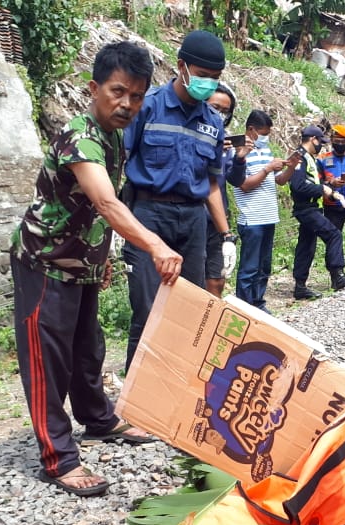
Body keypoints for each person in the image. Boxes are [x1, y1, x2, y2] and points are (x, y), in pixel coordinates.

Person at [11, 42, 180, 497]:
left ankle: (99, 420)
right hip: (44, 261)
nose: (127, 104)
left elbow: (91, 208)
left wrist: (101, 259)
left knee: (88, 349)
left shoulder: (114, 139)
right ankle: (59, 458)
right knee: (49, 359)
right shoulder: (81, 135)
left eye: (137, 96)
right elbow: (106, 202)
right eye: (118, 91)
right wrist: (156, 244)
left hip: (81, 262)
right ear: (95, 88)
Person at [121, 30, 235, 371]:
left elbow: (212, 183)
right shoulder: (148, 108)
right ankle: (136, 400)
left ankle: (177, 392)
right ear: (182, 66)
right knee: (148, 308)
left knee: (191, 310)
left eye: (214, 79)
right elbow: (119, 161)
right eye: (202, 76)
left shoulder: (213, 122)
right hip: (148, 214)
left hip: (193, 220)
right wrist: (114, 222)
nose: (208, 85)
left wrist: (226, 235)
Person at [231, 109, 297, 312]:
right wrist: (267, 168)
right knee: (249, 268)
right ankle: (244, 307)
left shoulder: (265, 152)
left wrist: (291, 167)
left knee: (264, 266)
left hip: (269, 216)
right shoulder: (238, 153)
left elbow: (278, 181)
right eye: (263, 133)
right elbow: (244, 185)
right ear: (251, 129)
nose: (265, 137)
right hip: (252, 218)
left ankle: (258, 304)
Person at [289, 125, 345, 299]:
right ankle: (337, 277)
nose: (322, 145)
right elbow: (297, 186)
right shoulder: (299, 157)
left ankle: (300, 286)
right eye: (320, 142)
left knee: (306, 245)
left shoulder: (309, 158)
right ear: (313, 139)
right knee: (333, 234)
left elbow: (311, 184)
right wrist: (322, 189)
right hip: (306, 208)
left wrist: (331, 190)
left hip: (312, 207)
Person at [202, 82, 248, 298]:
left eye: (224, 111)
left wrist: (239, 159)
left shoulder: (225, 142)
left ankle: (209, 323)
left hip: (218, 220)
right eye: (214, 107)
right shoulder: (193, 135)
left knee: (217, 279)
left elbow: (236, 180)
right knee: (191, 278)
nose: (218, 114)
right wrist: (212, 151)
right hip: (191, 216)